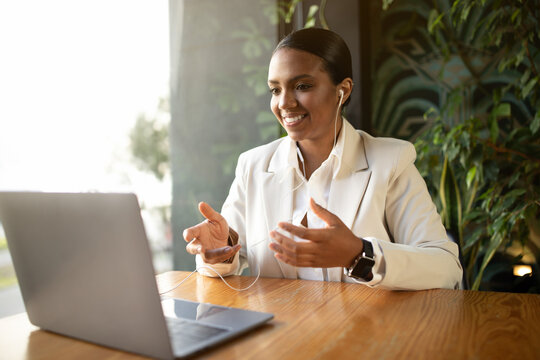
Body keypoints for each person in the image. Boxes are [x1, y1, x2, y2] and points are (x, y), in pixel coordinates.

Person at [183, 28, 462, 290]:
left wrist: (359, 254)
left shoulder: (390, 162)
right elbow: (227, 259)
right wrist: (220, 250)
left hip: (364, 335)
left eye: (302, 86)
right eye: (275, 89)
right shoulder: (253, 166)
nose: (284, 103)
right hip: (278, 336)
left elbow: (446, 267)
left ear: (343, 90)